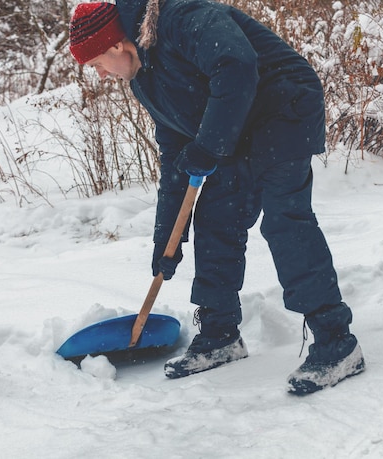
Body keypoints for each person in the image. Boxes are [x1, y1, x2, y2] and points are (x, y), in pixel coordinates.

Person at [69, 0, 365, 395]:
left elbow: (237, 65)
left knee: (284, 218)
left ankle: (336, 341)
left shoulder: (180, 18)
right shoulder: (144, 79)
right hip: (235, 129)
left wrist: (208, 146)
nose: (102, 75)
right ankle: (220, 333)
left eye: (97, 65)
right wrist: (166, 242)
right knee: (216, 218)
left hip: (284, 106)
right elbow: (175, 154)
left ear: (116, 47)